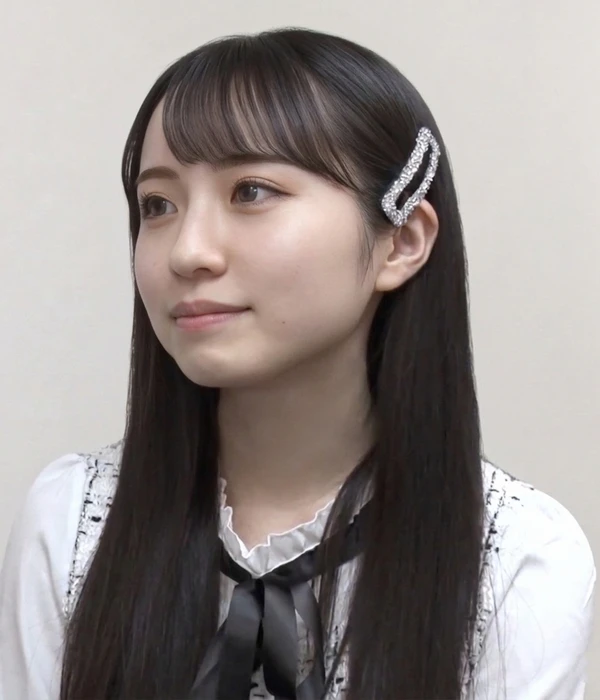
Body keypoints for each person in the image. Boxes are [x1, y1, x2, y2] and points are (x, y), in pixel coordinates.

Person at [0, 27, 595, 700]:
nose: (187, 252)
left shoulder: (516, 557)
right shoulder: (73, 522)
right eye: (158, 205)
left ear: (402, 241)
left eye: (251, 191)